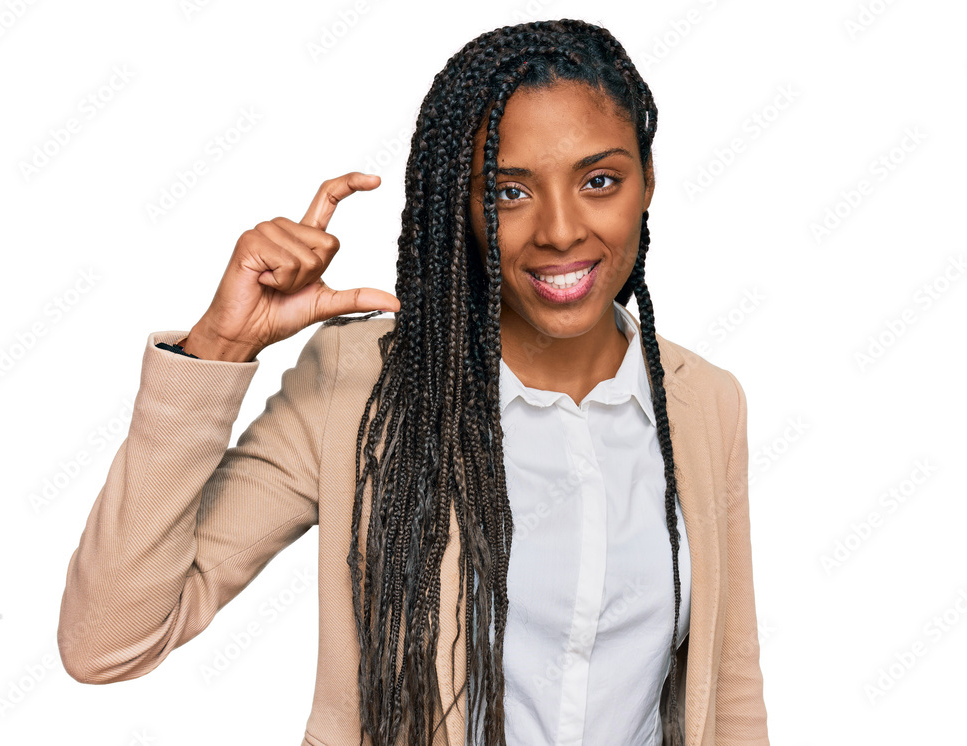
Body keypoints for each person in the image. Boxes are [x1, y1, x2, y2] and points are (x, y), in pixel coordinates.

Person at [57, 18, 768, 746]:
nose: (560, 230)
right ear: (458, 205)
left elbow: (730, 689)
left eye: (599, 181)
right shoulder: (360, 384)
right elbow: (106, 641)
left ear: (647, 181)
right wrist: (220, 347)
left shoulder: (704, 402)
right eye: (510, 191)